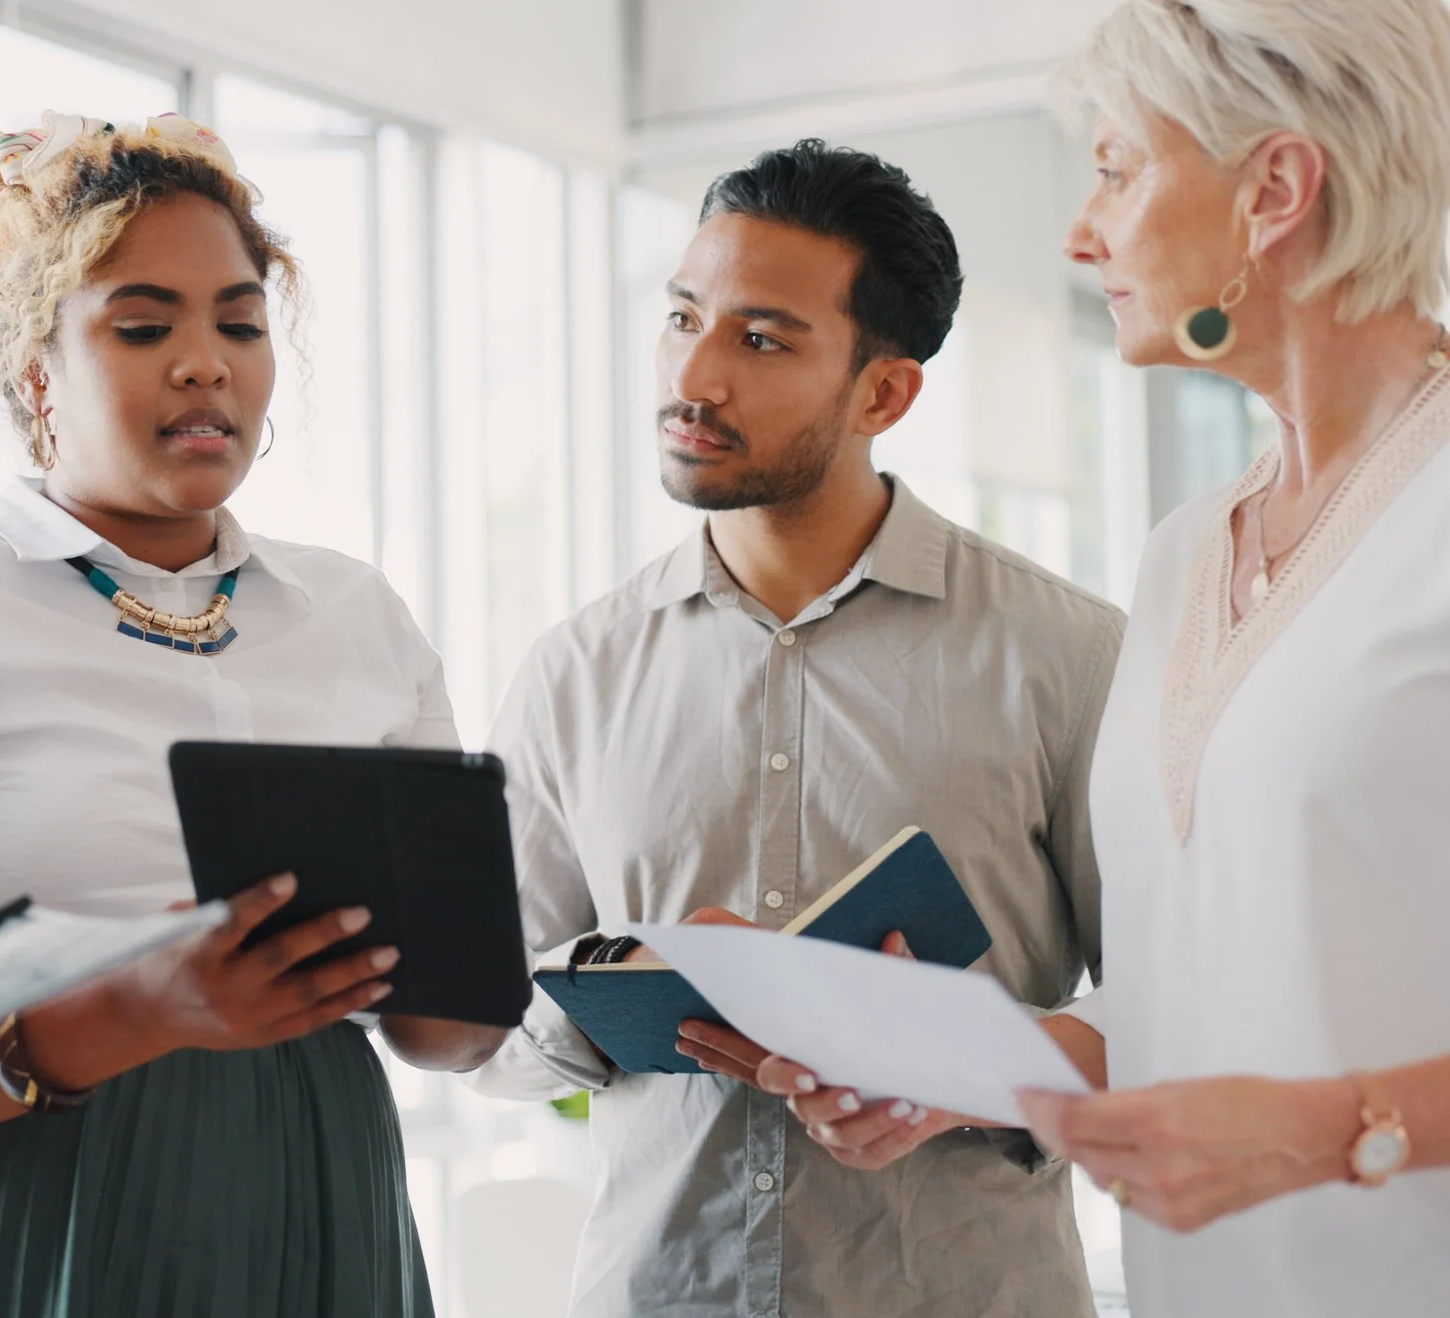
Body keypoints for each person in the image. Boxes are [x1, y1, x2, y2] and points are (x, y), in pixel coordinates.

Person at [0, 111, 502, 1318]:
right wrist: (143, 1008)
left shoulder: (356, 616)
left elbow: (446, 1035)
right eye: (144, 327)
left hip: (300, 1207)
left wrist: (483, 948)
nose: (208, 363)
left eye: (240, 323)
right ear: (37, 370)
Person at [462, 139, 1124, 1317]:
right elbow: (491, 1034)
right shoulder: (577, 669)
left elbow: (1174, 1014)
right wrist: (622, 978)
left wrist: (953, 1066)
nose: (694, 375)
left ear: (883, 391)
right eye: (680, 318)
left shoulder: (1067, 657)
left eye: (760, 339)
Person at [1003, 2, 1450, 1314]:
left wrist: (1331, 1130)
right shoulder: (1184, 548)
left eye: (1116, 167)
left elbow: (1301, 1082)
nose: (1082, 234)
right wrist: (1000, 1067)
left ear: (1274, 189)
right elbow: (1218, 968)